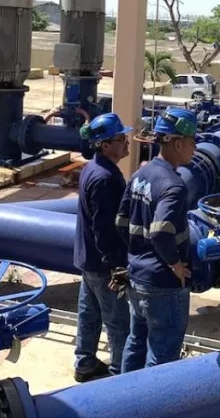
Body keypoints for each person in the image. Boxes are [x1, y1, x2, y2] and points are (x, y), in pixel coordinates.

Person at [115, 107, 197, 372]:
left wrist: (137, 255)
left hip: (138, 276)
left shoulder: (140, 175)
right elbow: (161, 231)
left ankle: (125, 392)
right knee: (162, 356)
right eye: (192, 141)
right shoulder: (174, 185)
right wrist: (175, 264)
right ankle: (154, 396)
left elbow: (121, 222)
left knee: (136, 342)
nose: (195, 148)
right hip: (163, 284)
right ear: (177, 143)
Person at [72, 113, 133, 382]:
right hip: (104, 265)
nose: (127, 143)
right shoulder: (106, 178)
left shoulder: (92, 168)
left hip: (88, 259)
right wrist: (117, 266)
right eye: (121, 139)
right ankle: (121, 373)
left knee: (89, 315)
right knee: (118, 321)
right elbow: (105, 229)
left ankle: (84, 364)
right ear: (105, 145)